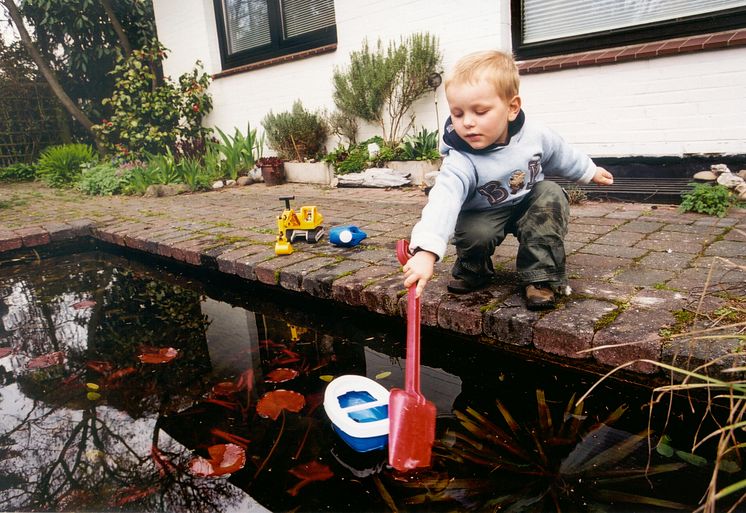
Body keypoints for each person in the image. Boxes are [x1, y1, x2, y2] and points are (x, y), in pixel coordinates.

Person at [402, 50, 614, 310]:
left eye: (480, 112)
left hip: (528, 201)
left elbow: (560, 152)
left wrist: (589, 171)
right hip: (484, 213)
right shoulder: (461, 159)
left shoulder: (535, 134)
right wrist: (426, 251)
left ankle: (540, 277)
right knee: (474, 234)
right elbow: (442, 201)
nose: (468, 122)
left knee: (550, 194)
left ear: (512, 108)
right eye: (457, 114)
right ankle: (474, 268)